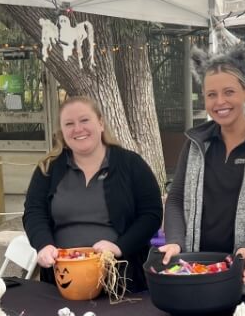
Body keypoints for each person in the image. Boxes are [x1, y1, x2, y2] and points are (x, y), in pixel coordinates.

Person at [160, 43, 245, 311]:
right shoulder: (195, 143)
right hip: (197, 276)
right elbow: (175, 200)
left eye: (228, 92)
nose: (220, 102)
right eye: (211, 95)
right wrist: (174, 240)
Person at [23, 96, 162, 293]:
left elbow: (151, 214)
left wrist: (118, 247)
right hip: (62, 280)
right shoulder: (48, 168)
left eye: (84, 120)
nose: (78, 129)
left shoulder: (131, 164)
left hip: (121, 280)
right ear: (62, 132)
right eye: (69, 124)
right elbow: (33, 212)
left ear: (101, 123)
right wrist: (43, 245)